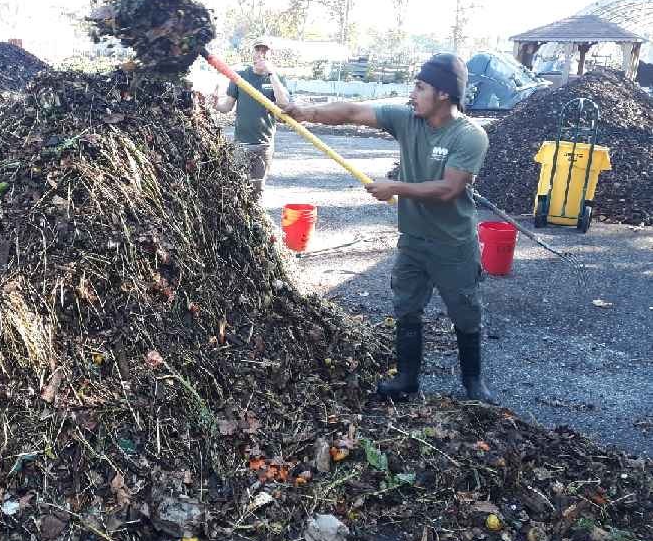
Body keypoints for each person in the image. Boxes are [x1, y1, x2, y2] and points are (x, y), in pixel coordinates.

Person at [285, 53, 495, 404]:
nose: (412, 93)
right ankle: (407, 378)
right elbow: (353, 112)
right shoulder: (408, 119)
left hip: (453, 244)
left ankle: (473, 382)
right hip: (413, 241)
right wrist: (304, 112)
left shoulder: (469, 136)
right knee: (407, 307)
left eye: (421, 86)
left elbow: (449, 189)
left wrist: (394, 187)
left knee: (465, 311)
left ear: (444, 94)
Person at [211, 38, 290, 198]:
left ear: (270, 54)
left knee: (257, 190)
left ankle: (255, 221)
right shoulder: (239, 76)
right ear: (252, 53)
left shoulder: (277, 79)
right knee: (235, 187)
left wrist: (271, 73)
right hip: (241, 144)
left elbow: (283, 103)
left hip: (264, 145)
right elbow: (227, 107)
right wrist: (215, 104)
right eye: (258, 50)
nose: (261, 54)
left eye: (265, 51)